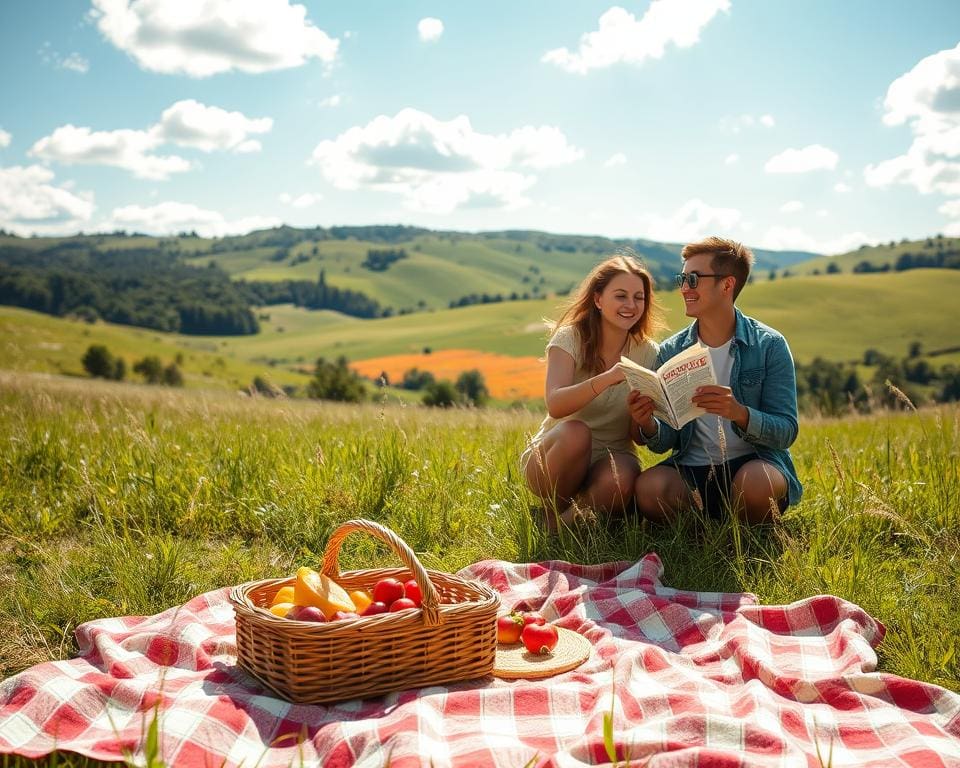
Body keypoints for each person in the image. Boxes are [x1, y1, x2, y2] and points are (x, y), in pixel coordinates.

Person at [629, 236, 802, 524]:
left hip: (753, 465)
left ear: (727, 284)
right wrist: (647, 424)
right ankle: (711, 525)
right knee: (648, 489)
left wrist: (739, 413)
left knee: (758, 484)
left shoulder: (769, 345)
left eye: (693, 279)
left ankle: (737, 529)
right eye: (681, 279)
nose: (684, 288)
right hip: (691, 470)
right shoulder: (672, 351)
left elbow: (786, 431)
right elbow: (666, 441)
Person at [522, 253, 665, 531]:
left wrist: (642, 418)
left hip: (612, 456)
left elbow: (637, 438)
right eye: (621, 296)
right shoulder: (569, 338)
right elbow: (556, 404)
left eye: (639, 297)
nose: (631, 305)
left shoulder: (649, 353)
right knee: (577, 432)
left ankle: (557, 526)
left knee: (623, 478)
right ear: (598, 300)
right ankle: (558, 507)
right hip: (556, 456)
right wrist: (607, 378)